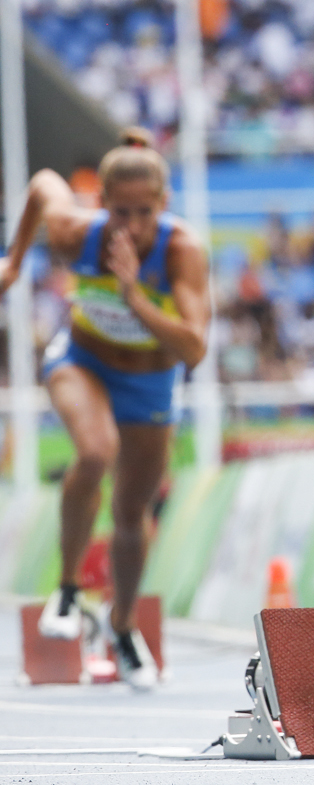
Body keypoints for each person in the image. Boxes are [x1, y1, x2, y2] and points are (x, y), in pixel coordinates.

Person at [0, 129, 210, 690]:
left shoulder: (181, 252)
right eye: (120, 213)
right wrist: (15, 261)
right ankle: (68, 588)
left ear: (163, 207)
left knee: (131, 513)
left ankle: (120, 625)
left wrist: (134, 295)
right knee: (94, 453)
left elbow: (194, 348)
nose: (132, 227)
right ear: (102, 206)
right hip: (83, 362)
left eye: (144, 213)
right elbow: (45, 186)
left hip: (150, 381)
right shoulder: (77, 235)